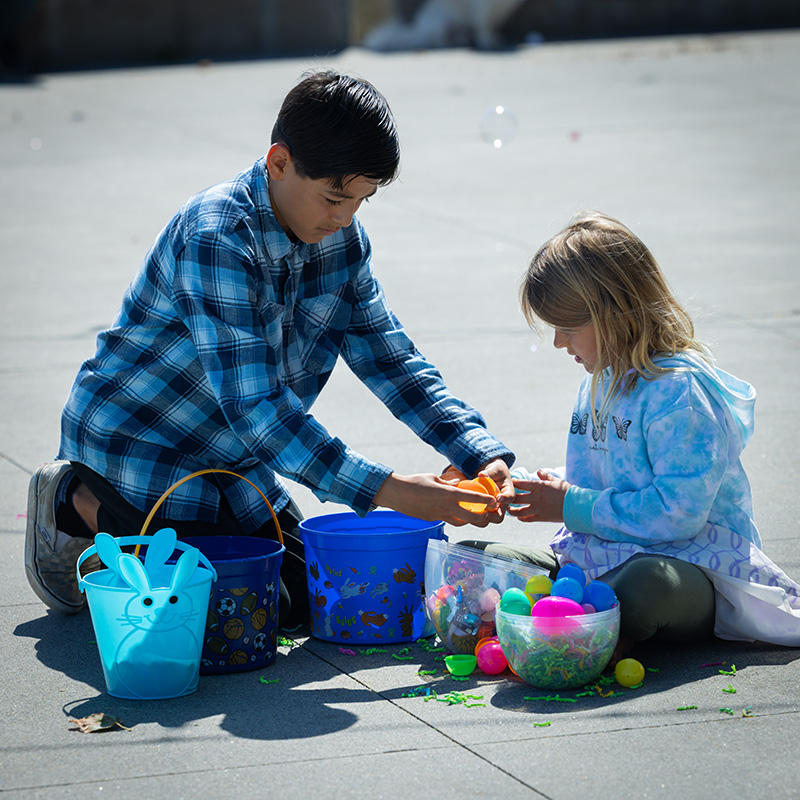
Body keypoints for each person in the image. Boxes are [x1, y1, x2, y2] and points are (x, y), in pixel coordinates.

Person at [25, 70, 516, 629]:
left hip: (235, 458)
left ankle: (137, 536)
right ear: (279, 162)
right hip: (140, 447)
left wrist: (478, 452)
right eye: (335, 197)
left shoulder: (343, 242)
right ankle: (72, 500)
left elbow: (391, 359)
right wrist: (391, 490)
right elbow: (259, 412)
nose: (345, 218)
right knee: (224, 617)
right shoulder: (216, 236)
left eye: (361, 200)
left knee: (305, 599)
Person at [461, 211, 800, 657]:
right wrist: (526, 486)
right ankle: (573, 618)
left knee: (646, 586)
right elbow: (604, 475)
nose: (560, 343)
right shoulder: (601, 378)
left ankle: (575, 621)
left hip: (692, 569)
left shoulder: (681, 394)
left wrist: (569, 504)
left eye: (567, 327)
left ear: (614, 315)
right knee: (475, 559)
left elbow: (678, 514)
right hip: (600, 558)